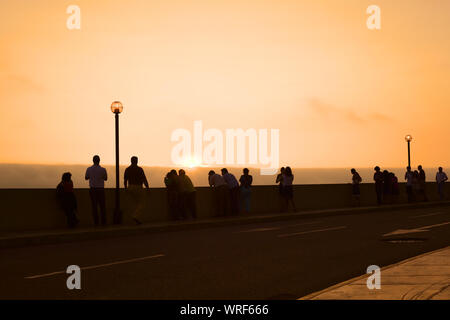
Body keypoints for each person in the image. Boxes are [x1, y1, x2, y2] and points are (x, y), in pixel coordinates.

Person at [124, 156, 149, 225]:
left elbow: (125, 180)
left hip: (130, 187)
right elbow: (144, 179)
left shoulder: (127, 169)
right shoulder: (140, 169)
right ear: (137, 161)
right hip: (138, 187)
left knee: (132, 203)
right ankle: (135, 216)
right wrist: (148, 188)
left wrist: (126, 188)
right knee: (142, 203)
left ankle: (133, 216)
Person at [85, 155, 108, 226]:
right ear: (99, 160)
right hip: (101, 189)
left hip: (93, 189)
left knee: (94, 206)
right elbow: (106, 178)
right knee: (102, 206)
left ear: (93, 160)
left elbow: (86, 177)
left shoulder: (89, 169)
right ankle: (103, 222)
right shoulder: (103, 169)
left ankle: (96, 222)